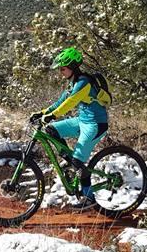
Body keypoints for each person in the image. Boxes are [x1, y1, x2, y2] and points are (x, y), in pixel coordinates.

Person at [30, 47, 110, 210]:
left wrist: (53, 115)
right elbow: (60, 102)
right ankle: (72, 164)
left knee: (78, 160)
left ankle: (88, 197)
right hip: (82, 121)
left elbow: (69, 103)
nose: (60, 72)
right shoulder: (73, 82)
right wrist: (43, 113)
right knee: (52, 130)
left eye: (63, 68)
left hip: (96, 124)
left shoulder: (83, 83)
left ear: (73, 67)